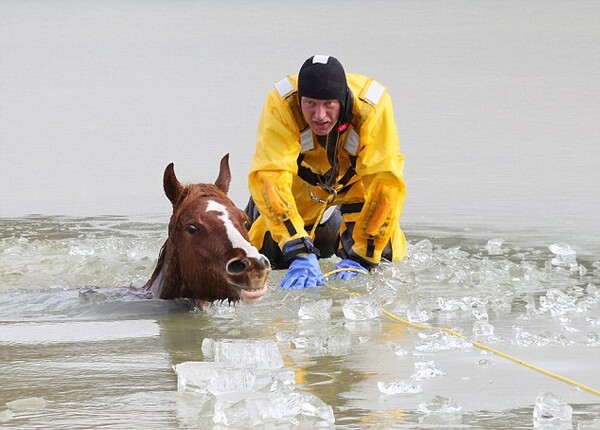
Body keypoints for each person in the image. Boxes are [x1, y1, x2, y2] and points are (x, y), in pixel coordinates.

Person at [245, 55, 407, 289]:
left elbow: (385, 183)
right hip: (302, 183)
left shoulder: (372, 106)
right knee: (268, 254)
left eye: (329, 104)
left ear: (342, 101)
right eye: (310, 103)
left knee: (383, 257)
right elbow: (270, 175)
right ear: (300, 100)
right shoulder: (282, 104)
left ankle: (345, 241)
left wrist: (363, 257)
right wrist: (298, 251)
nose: (319, 115)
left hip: (356, 184)